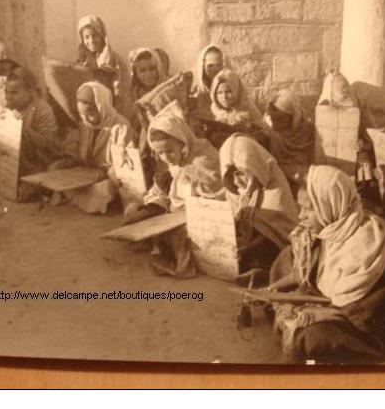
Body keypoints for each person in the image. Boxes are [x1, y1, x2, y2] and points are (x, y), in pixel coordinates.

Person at [268, 165, 385, 364]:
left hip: (368, 325)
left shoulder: (365, 247)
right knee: (285, 257)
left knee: (307, 336)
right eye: (300, 207)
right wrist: (274, 289)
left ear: (329, 205)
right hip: (337, 301)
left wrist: (308, 314)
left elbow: (362, 313)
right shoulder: (333, 226)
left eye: (307, 209)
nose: (300, 215)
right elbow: (304, 268)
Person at [125, 100, 224, 278]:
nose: (166, 157)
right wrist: (154, 204)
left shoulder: (204, 159)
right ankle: (159, 245)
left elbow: (215, 199)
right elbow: (169, 191)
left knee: (178, 233)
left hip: (202, 215)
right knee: (136, 211)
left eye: (169, 151)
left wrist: (182, 205)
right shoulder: (176, 162)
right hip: (176, 212)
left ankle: (181, 267)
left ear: (182, 142)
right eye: (160, 153)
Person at [219, 134, 299, 279]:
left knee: (276, 253)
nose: (237, 181)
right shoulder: (236, 190)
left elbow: (277, 231)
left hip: (271, 242)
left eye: (241, 174)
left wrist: (247, 247)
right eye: (231, 177)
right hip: (247, 243)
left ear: (255, 167)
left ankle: (263, 271)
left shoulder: (274, 185)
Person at [51, 81, 134, 214]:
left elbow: (122, 163)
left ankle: (87, 201)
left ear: (102, 107)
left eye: (90, 114)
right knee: (55, 169)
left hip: (109, 176)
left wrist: (105, 171)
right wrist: (73, 161)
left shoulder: (121, 126)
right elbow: (79, 152)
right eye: (82, 114)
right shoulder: (85, 126)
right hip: (87, 173)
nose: (86, 119)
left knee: (103, 189)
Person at [3, 67, 62, 201]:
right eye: (6, 92)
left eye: (14, 93)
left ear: (30, 92)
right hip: (19, 158)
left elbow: (50, 146)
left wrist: (21, 129)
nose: (8, 97)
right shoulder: (11, 106)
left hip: (41, 159)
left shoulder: (43, 109)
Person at [75, 15, 130, 116]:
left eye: (95, 35)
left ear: (102, 36)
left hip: (112, 109)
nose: (91, 41)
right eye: (86, 37)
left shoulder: (114, 60)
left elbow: (121, 92)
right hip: (91, 113)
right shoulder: (82, 60)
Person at [265, 90, 315, 191]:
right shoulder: (269, 127)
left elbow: (308, 160)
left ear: (293, 117)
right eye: (273, 118)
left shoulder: (306, 130)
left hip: (299, 174)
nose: (275, 123)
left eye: (280, 119)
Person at [208, 68, 268, 148]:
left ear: (236, 90)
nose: (224, 97)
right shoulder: (215, 109)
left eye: (228, 91)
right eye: (219, 93)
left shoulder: (247, 107)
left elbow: (264, 132)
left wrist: (250, 127)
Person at [189, 44, 225, 124]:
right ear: (203, 67)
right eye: (210, 66)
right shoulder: (197, 93)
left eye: (219, 65)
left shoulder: (234, 90)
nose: (215, 69)